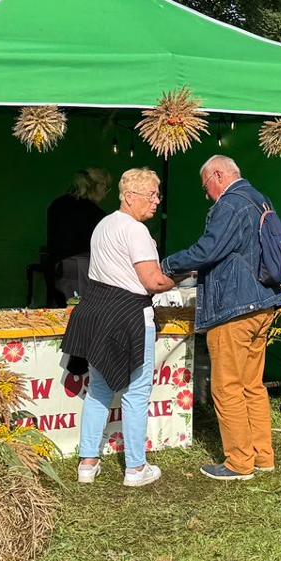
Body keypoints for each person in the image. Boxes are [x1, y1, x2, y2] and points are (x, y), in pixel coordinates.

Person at [162, 155, 281, 481]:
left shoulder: (230, 204)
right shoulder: (260, 199)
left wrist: (167, 265)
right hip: (263, 304)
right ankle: (263, 457)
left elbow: (207, 250)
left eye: (206, 187)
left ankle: (238, 463)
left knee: (227, 387)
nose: (207, 195)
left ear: (218, 175)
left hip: (234, 308)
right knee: (252, 386)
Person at [60, 168, 176, 487]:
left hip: (97, 312)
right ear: (129, 197)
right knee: (137, 392)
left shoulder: (104, 225)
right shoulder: (135, 230)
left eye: (157, 194)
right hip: (128, 316)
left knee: (98, 389)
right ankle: (136, 468)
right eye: (151, 195)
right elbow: (152, 281)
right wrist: (182, 277)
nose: (157, 201)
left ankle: (88, 463)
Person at [44, 168, 111, 304]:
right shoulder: (96, 214)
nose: (106, 194)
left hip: (56, 268)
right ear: (100, 186)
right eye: (107, 188)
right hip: (82, 271)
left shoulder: (57, 204)